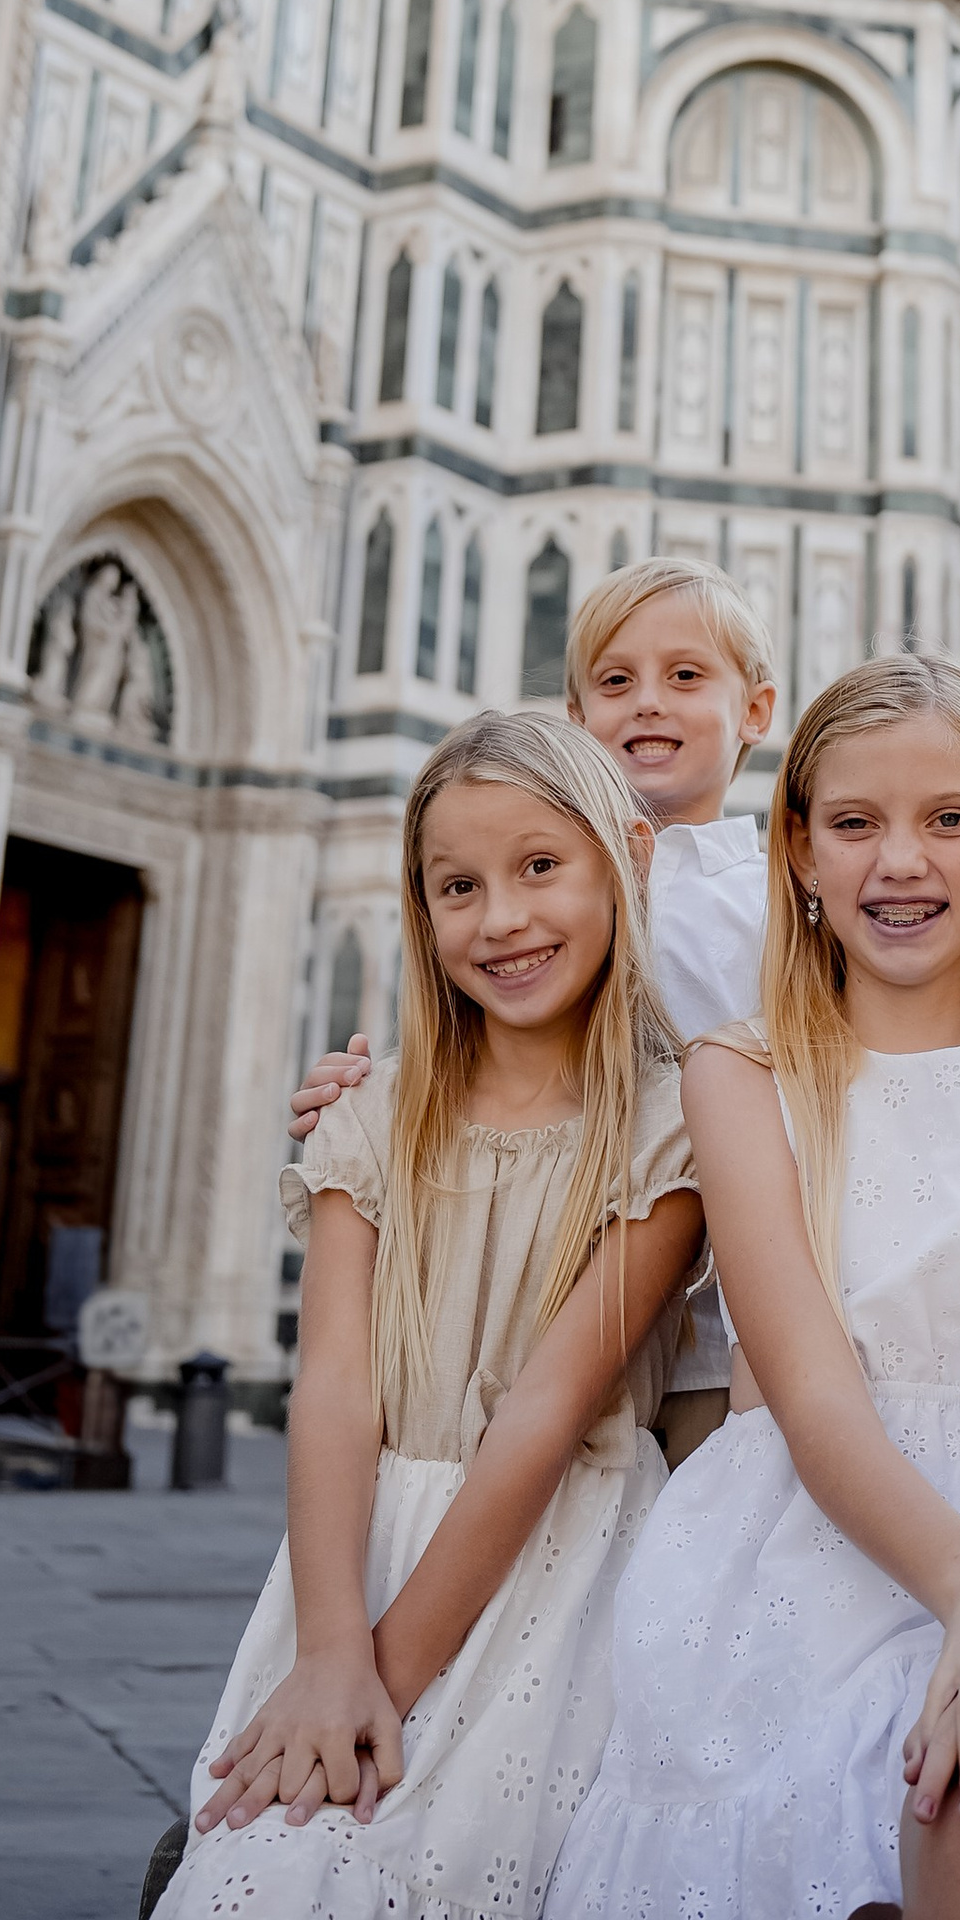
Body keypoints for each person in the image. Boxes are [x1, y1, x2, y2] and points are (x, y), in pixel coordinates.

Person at [538, 654, 960, 1920]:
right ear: (801, 850)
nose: (900, 862)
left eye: (948, 819)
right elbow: (810, 1388)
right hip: (791, 1566)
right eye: (856, 823)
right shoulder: (743, 1073)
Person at [138, 711, 704, 1920]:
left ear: (629, 859)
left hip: (555, 1569)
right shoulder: (374, 1116)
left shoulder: (670, 1132)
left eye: (539, 867)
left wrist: (378, 1684)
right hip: (359, 1559)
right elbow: (335, 1386)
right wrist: (331, 1650)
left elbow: (548, 1419)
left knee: (431, 1886)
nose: (500, 918)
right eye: (458, 886)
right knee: (273, 1878)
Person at [297, 555, 773, 1462]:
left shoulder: (774, 908)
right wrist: (359, 1092)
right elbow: (476, 1043)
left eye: (685, 676)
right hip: (534, 1297)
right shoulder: (527, 908)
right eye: (615, 681)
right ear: (576, 718)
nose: (647, 703)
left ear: (753, 709)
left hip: (716, 1336)